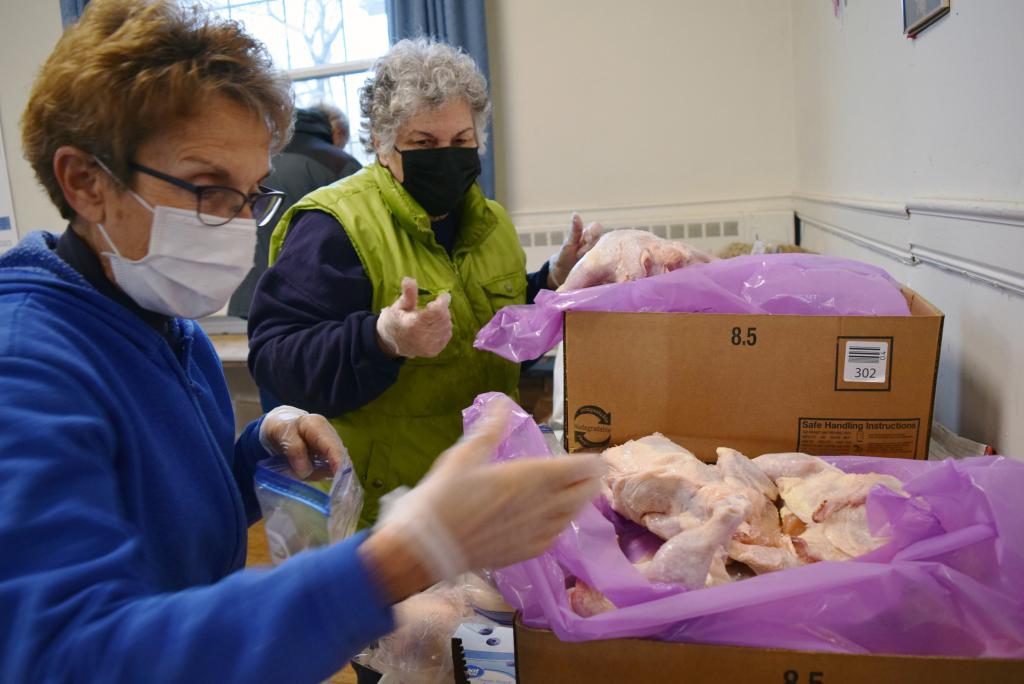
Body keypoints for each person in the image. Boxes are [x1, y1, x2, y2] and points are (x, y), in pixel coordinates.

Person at [0, 2, 602, 682]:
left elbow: (167, 522)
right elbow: (60, 656)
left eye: (251, 194)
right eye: (208, 189)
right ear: (86, 182)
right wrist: (397, 558)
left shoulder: (170, 331)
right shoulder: (24, 366)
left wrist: (256, 449)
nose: (237, 226)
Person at [247, 38, 603, 525]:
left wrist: (555, 277)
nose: (447, 157)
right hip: (390, 511)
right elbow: (277, 358)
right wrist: (382, 339)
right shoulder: (334, 225)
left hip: (487, 491)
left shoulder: (490, 221)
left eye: (461, 141)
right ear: (382, 142)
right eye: (424, 144)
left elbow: (498, 323)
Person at [228, 105, 361, 318]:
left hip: (252, 287)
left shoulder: (260, 157)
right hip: (312, 294)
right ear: (338, 133)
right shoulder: (339, 164)